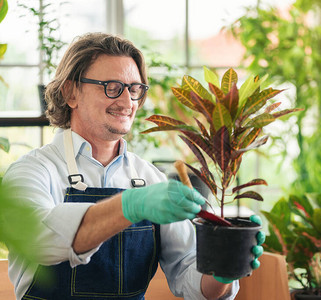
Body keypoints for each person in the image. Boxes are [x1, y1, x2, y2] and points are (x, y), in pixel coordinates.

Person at [1, 32, 263, 300]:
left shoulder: (149, 177)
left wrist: (223, 266)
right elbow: (40, 240)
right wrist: (130, 205)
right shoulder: (31, 171)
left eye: (135, 89)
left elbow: (190, 280)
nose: (128, 102)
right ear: (70, 92)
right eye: (112, 87)